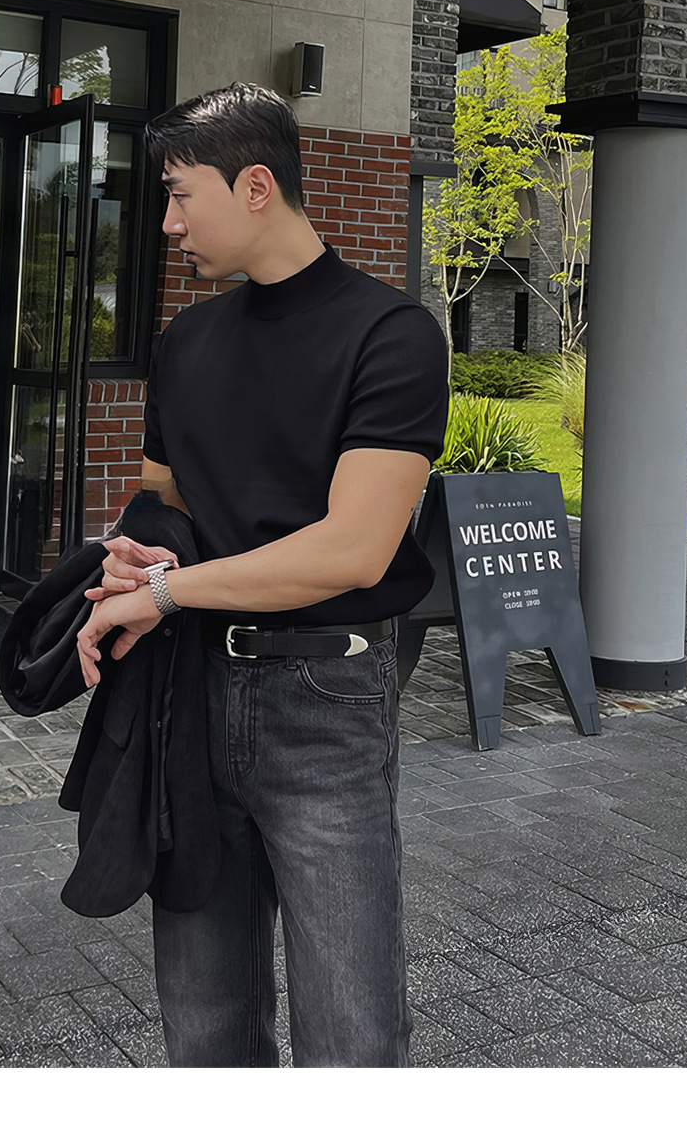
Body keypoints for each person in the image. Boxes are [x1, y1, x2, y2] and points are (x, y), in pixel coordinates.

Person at [76, 82, 449, 1068]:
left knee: (352, 1034)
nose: (167, 224)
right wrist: (137, 553)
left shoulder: (391, 334)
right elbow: (163, 499)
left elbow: (352, 549)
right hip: (191, 696)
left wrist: (165, 592)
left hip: (327, 699)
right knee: (205, 1024)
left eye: (178, 195)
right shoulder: (184, 342)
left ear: (253, 186)